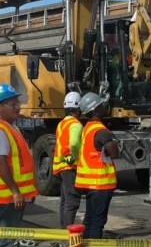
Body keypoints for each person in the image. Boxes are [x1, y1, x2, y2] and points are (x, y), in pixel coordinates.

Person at [0, 83, 38, 247]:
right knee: (5, 241)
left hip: (12, 197)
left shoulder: (11, 127)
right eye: (12, 104)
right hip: (6, 198)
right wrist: (16, 192)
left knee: (9, 238)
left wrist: (27, 191)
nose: (17, 107)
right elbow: (1, 164)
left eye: (17, 103)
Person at [74, 92, 119, 239]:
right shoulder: (101, 131)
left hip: (90, 184)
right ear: (95, 110)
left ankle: (86, 241)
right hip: (101, 184)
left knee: (90, 219)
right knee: (97, 221)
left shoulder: (87, 128)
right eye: (101, 105)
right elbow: (115, 154)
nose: (105, 106)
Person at [53, 91, 84, 228]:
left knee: (65, 201)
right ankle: (68, 234)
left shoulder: (61, 124)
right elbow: (73, 144)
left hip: (61, 166)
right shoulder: (76, 124)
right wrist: (75, 156)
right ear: (79, 108)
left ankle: (63, 230)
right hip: (70, 167)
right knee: (72, 201)